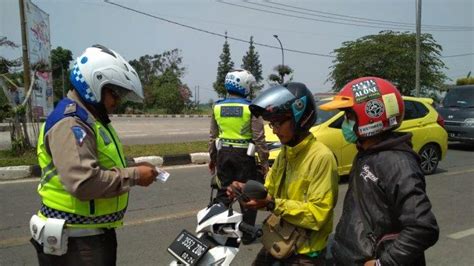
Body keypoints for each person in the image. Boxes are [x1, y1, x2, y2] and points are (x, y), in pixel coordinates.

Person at [29, 45, 158, 266]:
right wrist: (135, 175)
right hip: (77, 242)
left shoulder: (90, 118)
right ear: (95, 84)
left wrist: (133, 164)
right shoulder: (71, 122)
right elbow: (84, 182)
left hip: (88, 234)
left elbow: (100, 161)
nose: (116, 102)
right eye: (114, 93)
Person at [319, 77, 439, 265]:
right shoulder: (366, 154)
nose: (345, 123)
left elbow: (422, 227)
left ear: (371, 115)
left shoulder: (398, 163)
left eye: (349, 116)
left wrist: (383, 263)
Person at [227, 82, 339, 265]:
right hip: (280, 241)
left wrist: (272, 203)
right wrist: (246, 190)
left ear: (299, 117)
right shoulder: (286, 153)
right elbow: (269, 193)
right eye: (272, 124)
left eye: (279, 123)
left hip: (305, 252)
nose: (275, 129)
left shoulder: (321, 157)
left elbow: (318, 215)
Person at [208, 69, 269, 243]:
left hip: (223, 154)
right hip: (244, 157)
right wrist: (264, 162)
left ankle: (218, 229)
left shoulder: (217, 106)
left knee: (223, 191)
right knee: (247, 192)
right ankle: (248, 235)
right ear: (244, 86)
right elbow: (259, 138)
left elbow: (213, 136)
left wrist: (212, 159)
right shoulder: (251, 108)